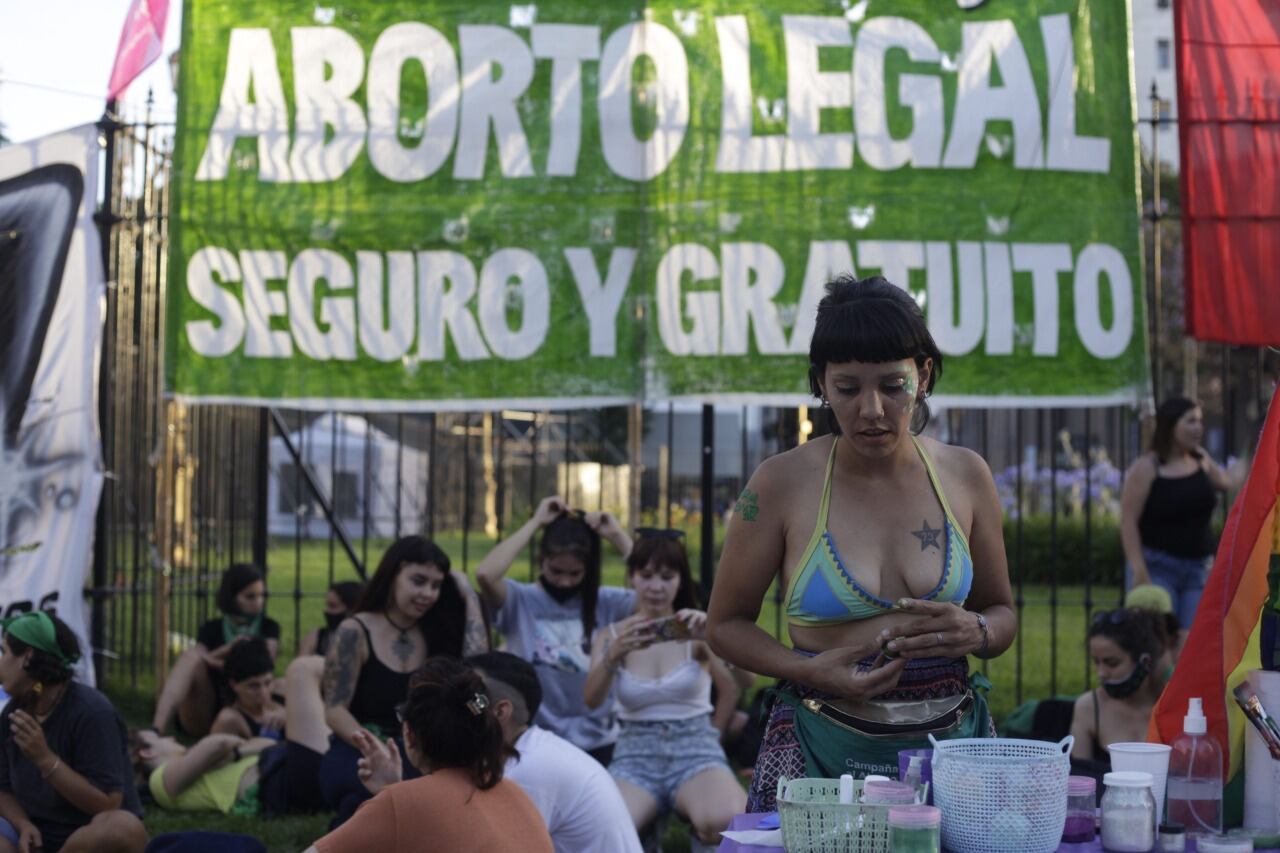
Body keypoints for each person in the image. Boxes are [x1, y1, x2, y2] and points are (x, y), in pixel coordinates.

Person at [706, 274, 1016, 812]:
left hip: (949, 749)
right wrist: (804, 669)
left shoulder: (966, 475)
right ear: (821, 384)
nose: (871, 410)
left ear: (921, 375)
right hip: (821, 750)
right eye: (847, 389)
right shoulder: (781, 483)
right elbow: (724, 623)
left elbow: (1003, 613)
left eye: (892, 387)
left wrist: (979, 629)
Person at [357, 651, 642, 853]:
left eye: (473, 699)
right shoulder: (525, 753)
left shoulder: (527, 771)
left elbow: (451, 839)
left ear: (500, 711)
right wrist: (395, 792)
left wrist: (395, 794)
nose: (460, 704)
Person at [584, 531, 745, 848]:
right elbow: (591, 700)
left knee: (729, 818)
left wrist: (713, 637)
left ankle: (697, 833)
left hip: (695, 748)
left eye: (667, 577)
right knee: (598, 828)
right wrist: (612, 655)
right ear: (631, 577)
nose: (656, 587)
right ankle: (646, 833)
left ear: (680, 581)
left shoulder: (693, 628)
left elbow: (742, 685)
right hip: (634, 754)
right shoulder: (612, 635)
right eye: (645, 576)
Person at [320, 535, 488, 823]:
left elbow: (479, 675)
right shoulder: (355, 631)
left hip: (423, 751)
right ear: (393, 574)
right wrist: (375, 749)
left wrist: (469, 596)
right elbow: (334, 710)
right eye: (418, 581)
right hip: (359, 747)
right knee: (366, 792)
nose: (428, 593)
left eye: (436, 586)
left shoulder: (438, 630)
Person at [306, 657, 553, 853]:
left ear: (410, 735)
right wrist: (392, 791)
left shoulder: (404, 802)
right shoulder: (513, 793)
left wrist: (393, 796)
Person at [476, 496, 635, 762]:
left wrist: (617, 535)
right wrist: (536, 523)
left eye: (575, 574)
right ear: (541, 560)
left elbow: (652, 587)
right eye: (556, 571)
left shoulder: (607, 602)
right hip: (532, 737)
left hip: (598, 739)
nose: (564, 581)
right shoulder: (520, 599)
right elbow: (485, 574)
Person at [0, 611, 147, 853]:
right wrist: (23, 824)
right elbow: (3, 789)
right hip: (33, 838)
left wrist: (45, 760)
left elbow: (108, 804)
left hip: (87, 840)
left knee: (123, 828)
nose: (1, 660)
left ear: (27, 658)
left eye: (4, 651)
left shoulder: (92, 713)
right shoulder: (13, 713)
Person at [134, 654, 330, 817]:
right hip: (281, 783)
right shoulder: (159, 781)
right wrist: (234, 753)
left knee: (305, 674)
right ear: (147, 753)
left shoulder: (189, 767)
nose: (171, 738)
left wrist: (235, 753)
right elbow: (219, 744)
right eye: (160, 739)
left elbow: (264, 742)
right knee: (302, 669)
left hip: (287, 775)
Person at [1120, 397, 1244, 629]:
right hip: (1157, 567)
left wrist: (1255, 448)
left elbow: (1227, 481)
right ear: (1170, 425)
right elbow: (1128, 521)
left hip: (1198, 569)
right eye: (1190, 421)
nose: (1198, 428)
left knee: (1191, 643)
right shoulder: (1147, 467)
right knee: (1161, 639)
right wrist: (1139, 570)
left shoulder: (1201, 459)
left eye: (1200, 421)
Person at [151, 563, 281, 737]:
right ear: (232, 597)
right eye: (250, 597)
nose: (258, 602)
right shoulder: (212, 628)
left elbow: (263, 667)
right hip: (208, 705)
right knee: (189, 658)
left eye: (261, 596)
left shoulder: (268, 627)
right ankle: (156, 728)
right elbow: (198, 658)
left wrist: (219, 661)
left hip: (248, 706)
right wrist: (229, 649)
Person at [1069, 608, 1170, 766]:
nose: (1101, 673)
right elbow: (1080, 781)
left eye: (1112, 663)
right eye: (1097, 662)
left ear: (1145, 661)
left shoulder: (1171, 708)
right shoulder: (1089, 707)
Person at [209, 637, 285, 740]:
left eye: (267, 683)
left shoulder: (284, 691)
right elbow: (213, 752)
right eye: (254, 686)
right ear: (234, 684)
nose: (264, 692)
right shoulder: (230, 720)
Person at [300, 581, 364, 657]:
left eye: (333, 606)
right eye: (327, 605)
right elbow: (301, 664)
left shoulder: (365, 641)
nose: (326, 610)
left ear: (352, 610)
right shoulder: (316, 637)